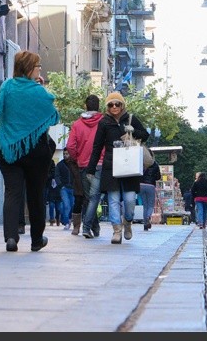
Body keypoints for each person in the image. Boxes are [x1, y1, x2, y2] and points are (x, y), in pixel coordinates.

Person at [0, 51, 60, 252]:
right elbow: (53, 116)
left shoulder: (6, 86)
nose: (40, 69)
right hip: (35, 150)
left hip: (8, 148)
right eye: (38, 66)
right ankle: (36, 240)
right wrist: (41, 88)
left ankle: (11, 237)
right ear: (30, 68)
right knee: (35, 194)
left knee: (12, 192)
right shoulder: (38, 91)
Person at [86, 91, 150, 244]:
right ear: (107, 107)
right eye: (111, 104)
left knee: (129, 200)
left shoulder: (131, 119)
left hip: (130, 165)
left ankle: (127, 221)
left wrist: (133, 130)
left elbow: (145, 135)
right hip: (111, 166)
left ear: (122, 105)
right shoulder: (104, 122)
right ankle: (116, 230)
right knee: (113, 200)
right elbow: (97, 146)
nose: (114, 107)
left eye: (117, 104)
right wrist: (91, 168)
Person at [67, 94, 104, 238]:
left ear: (85, 106)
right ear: (98, 106)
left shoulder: (77, 124)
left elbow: (70, 146)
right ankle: (92, 227)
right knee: (94, 197)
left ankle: (93, 227)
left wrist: (77, 158)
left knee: (89, 197)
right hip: (101, 163)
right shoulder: (104, 122)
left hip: (83, 164)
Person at [62, 147, 85, 234]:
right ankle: (74, 225)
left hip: (82, 178)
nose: (65, 155)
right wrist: (61, 185)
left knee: (89, 203)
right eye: (64, 154)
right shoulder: (64, 163)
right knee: (74, 204)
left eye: (66, 154)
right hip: (72, 186)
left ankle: (92, 226)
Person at [139, 156, 162, 231]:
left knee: (145, 206)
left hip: (141, 185)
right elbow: (158, 177)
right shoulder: (155, 165)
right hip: (151, 185)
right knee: (150, 205)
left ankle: (145, 224)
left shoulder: (142, 163)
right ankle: (148, 216)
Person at [45, 159, 63, 226]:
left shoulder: (59, 178)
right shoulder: (49, 179)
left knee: (58, 208)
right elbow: (47, 186)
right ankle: (52, 219)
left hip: (58, 194)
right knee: (51, 206)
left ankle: (57, 218)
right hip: (51, 193)